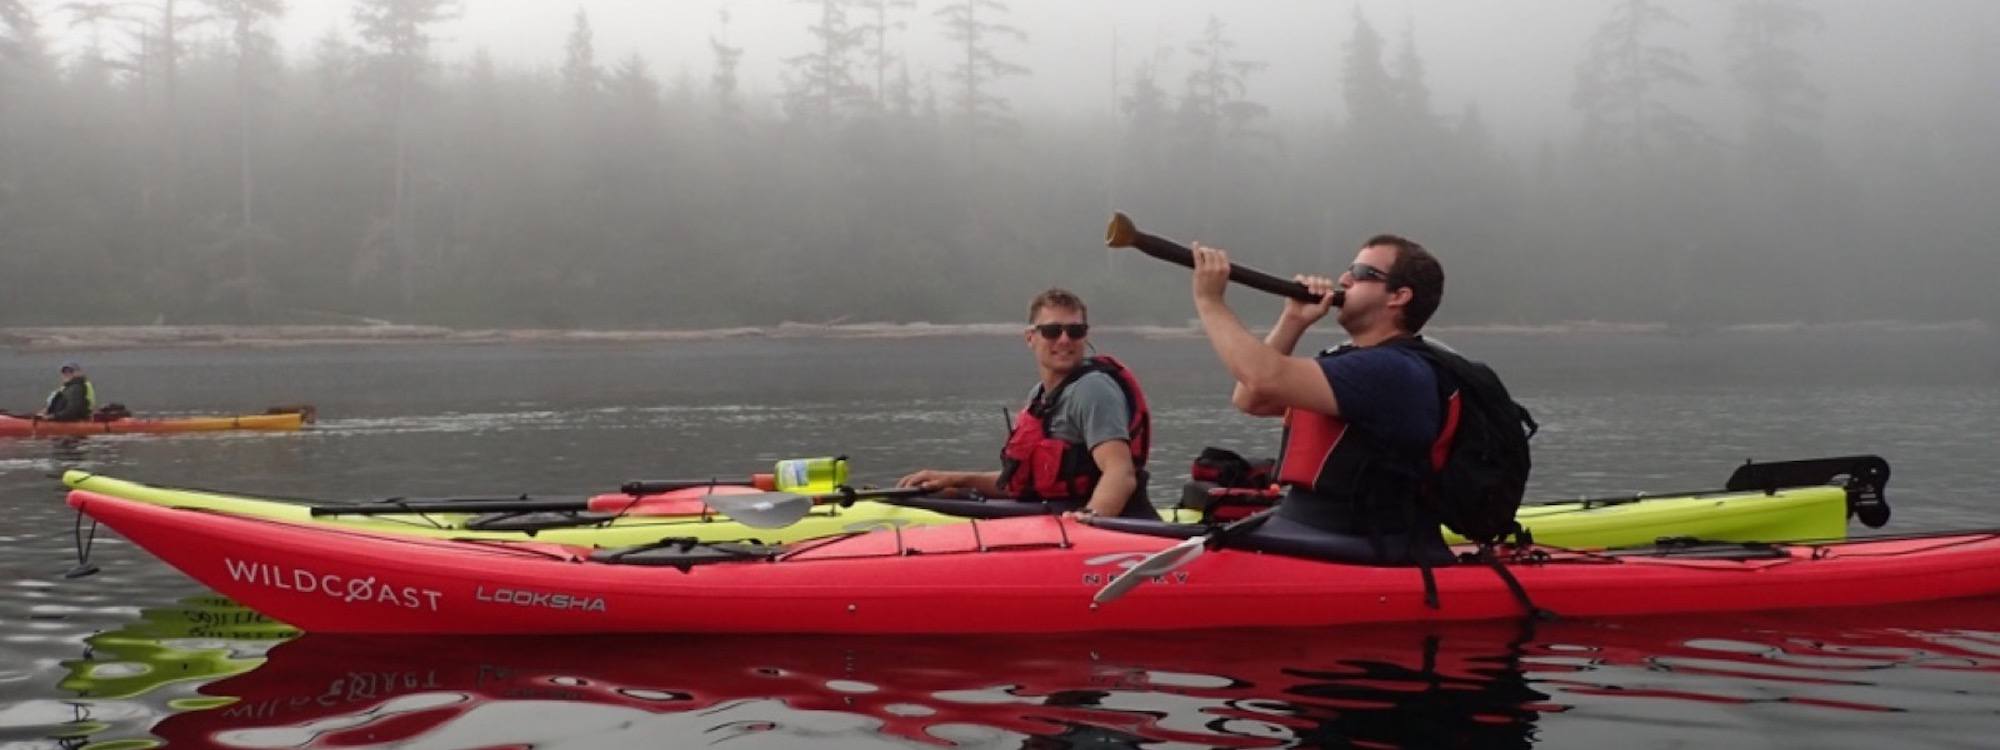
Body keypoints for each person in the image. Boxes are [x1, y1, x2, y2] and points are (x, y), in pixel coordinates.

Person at [1187, 235, 1456, 565]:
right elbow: (1251, 398)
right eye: (1349, 270)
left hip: (1358, 544)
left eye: (1361, 273)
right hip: (1303, 526)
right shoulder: (1351, 361)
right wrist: (1293, 320)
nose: (1344, 280)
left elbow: (1261, 376)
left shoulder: (1394, 370)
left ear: (1398, 297)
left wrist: (1210, 301)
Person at [897, 288, 1160, 520]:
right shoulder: (1041, 395)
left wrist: (1089, 522)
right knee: (948, 498)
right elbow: (1025, 482)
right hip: (1056, 512)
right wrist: (955, 479)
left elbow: (1120, 473)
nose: (1064, 340)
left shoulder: (1093, 390)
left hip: (1113, 524)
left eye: (1075, 331)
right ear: (1030, 337)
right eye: (1052, 331)